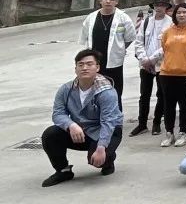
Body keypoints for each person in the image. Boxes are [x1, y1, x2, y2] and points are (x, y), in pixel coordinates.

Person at [41, 49, 124, 187]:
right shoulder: (66, 89)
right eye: (80, 64)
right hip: (80, 131)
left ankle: (108, 159)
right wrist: (71, 125)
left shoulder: (107, 92)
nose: (84, 68)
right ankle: (63, 171)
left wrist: (101, 148)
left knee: (97, 160)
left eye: (89, 64)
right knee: (50, 135)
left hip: (106, 131)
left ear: (97, 67)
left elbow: (108, 122)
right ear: (75, 69)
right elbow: (58, 113)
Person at [78, 0, 136, 108]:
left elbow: (130, 37)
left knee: (115, 92)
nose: (108, 1)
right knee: (93, 91)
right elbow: (84, 37)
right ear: (100, 0)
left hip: (114, 62)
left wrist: (120, 50)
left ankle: (116, 118)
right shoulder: (91, 18)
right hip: (94, 62)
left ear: (117, 2)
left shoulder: (123, 18)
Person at [158, 3, 186, 148]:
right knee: (168, 104)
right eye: (178, 12)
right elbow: (165, 49)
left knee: (184, 104)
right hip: (166, 73)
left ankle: (182, 132)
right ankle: (169, 133)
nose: (181, 15)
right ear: (174, 15)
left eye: (184, 12)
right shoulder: (168, 32)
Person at [131, 0, 171, 136]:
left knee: (161, 94)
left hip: (162, 64)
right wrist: (144, 59)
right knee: (144, 95)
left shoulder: (171, 23)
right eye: (157, 5)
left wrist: (152, 59)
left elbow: (168, 45)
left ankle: (156, 123)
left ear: (166, 7)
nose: (159, 8)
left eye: (162, 5)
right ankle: (142, 124)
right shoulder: (146, 21)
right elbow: (139, 41)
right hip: (145, 64)